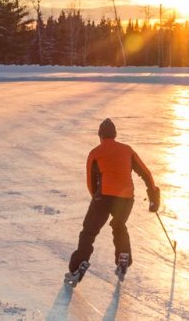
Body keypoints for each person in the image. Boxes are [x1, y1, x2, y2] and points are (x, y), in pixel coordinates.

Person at [65, 118, 160, 285]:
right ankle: (123, 256)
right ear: (115, 135)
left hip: (104, 197)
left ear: (100, 135)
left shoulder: (95, 152)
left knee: (89, 232)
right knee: (119, 225)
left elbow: (90, 181)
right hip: (126, 198)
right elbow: (146, 173)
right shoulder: (127, 150)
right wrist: (153, 197)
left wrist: (97, 199)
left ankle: (78, 265)